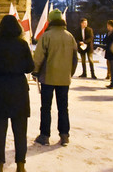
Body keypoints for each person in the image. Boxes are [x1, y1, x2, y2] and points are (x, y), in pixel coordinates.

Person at [0, 15, 35, 172]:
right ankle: (21, 166)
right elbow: (30, 67)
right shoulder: (22, 45)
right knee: (20, 130)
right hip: (18, 89)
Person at [32, 9, 78, 146]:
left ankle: (44, 135)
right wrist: (70, 72)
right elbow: (75, 58)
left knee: (46, 107)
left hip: (48, 77)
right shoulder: (70, 36)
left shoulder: (46, 36)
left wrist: (35, 71)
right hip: (64, 78)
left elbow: (39, 56)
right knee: (63, 107)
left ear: (51, 21)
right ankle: (64, 135)